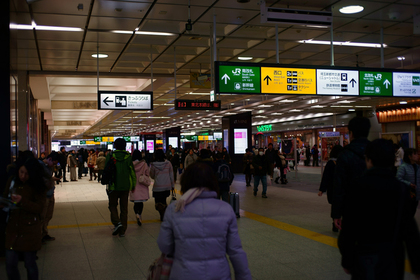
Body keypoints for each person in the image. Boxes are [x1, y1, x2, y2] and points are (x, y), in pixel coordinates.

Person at [338, 139, 420, 280]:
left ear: (368, 160)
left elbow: (348, 229)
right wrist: (417, 266)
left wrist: (347, 260)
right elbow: (410, 231)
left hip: (364, 257)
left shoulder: (357, 187)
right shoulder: (401, 188)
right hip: (393, 258)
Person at [157, 162, 252, 280]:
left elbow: (164, 245)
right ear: (213, 181)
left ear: (185, 182)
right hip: (219, 275)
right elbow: (235, 251)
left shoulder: (175, 209)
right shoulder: (225, 209)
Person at [3, 157, 47, 280]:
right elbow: (6, 196)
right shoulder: (12, 181)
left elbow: (39, 208)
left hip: (29, 230)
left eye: (27, 174)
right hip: (13, 228)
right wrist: (5, 202)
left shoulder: (38, 186)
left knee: (30, 264)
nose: (23, 176)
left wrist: (22, 201)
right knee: (10, 264)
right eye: (21, 172)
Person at [332, 116, 371, 230]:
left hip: (351, 205)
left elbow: (339, 186)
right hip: (374, 204)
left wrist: (336, 213)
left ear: (351, 133)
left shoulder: (345, 155)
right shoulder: (376, 151)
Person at [105, 138, 136, 237]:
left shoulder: (110, 156)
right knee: (124, 208)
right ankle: (122, 231)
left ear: (115, 146)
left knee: (112, 205)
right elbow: (132, 172)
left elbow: (106, 170)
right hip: (125, 186)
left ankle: (117, 223)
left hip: (113, 185)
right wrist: (133, 185)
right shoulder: (128, 157)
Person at [318, 145, 344, 232]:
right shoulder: (343, 162)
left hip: (332, 189)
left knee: (335, 205)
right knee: (342, 205)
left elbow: (325, 177)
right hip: (342, 189)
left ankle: (335, 223)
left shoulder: (330, 163)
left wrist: (322, 189)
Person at [150, 149, 174, 221]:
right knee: (163, 201)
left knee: (158, 203)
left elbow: (152, 175)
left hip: (157, 187)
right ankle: (165, 214)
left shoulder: (153, 165)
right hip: (166, 186)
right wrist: (172, 186)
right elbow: (171, 175)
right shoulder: (168, 163)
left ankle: (163, 214)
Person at [396, 148, 420, 217]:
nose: (417, 155)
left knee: (413, 211)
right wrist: (409, 184)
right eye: (415, 154)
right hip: (407, 194)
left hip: (416, 194)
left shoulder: (417, 167)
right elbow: (398, 178)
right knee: (407, 214)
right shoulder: (403, 167)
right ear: (409, 156)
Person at [130, 150, 150, 226]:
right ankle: (139, 214)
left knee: (135, 202)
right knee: (141, 202)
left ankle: (136, 214)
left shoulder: (131, 164)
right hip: (142, 185)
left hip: (134, 185)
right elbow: (147, 174)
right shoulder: (144, 164)